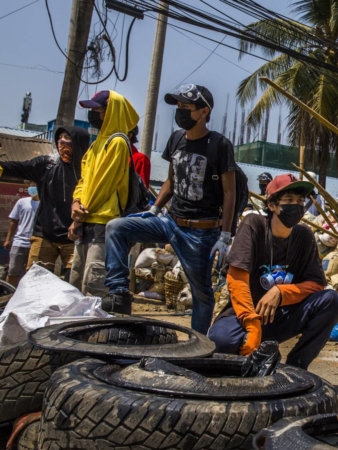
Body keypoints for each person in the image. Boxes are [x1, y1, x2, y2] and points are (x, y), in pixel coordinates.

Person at [101, 84, 236, 336]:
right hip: (170, 222)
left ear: (204, 111)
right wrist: (154, 209)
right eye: (178, 106)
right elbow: (171, 181)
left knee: (201, 293)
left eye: (186, 107)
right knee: (116, 227)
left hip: (200, 232)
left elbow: (230, 192)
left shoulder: (219, 144)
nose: (180, 111)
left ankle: (198, 344)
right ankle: (119, 291)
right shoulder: (176, 139)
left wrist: (225, 235)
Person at [208, 174, 338, 367]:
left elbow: (316, 284)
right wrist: (252, 323)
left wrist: (281, 292)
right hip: (244, 314)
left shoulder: (304, 236)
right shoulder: (254, 225)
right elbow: (236, 279)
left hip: (281, 317)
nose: (296, 206)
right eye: (288, 200)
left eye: (299, 201)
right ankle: (249, 348)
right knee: (220, 342)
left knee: (333, 300)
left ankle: (297, 367)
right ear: (271, 205)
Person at [70, 90, 139, 296]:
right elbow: (84, 180)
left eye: (98, 109)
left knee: (93, 285)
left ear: (111, 112)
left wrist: (79, 217)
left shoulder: (117, 142)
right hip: (86, 218)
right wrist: (76, 202)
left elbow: (103, 185)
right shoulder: (95, 144)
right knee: (75, 281)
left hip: (103, 221)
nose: (93, 114)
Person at [0, 126, 89, 277]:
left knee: (74, 283)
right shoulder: (46, 165)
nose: (62, 141)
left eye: (67, 138)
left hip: (76, 237)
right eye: (60, 137)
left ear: (78, 142)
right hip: (44, 235)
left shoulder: (89, 170)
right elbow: (15, 168)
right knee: (35, 282)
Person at [4, 184, 39, 285]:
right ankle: (10, 295)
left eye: (35, 186)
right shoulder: (22, 202)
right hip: (19, 242)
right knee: (13, 271)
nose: (32, 188)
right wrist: (8, 239)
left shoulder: (44, 203)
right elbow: (13, 221)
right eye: (31, 186)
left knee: (32, 273)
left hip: (36, 243)